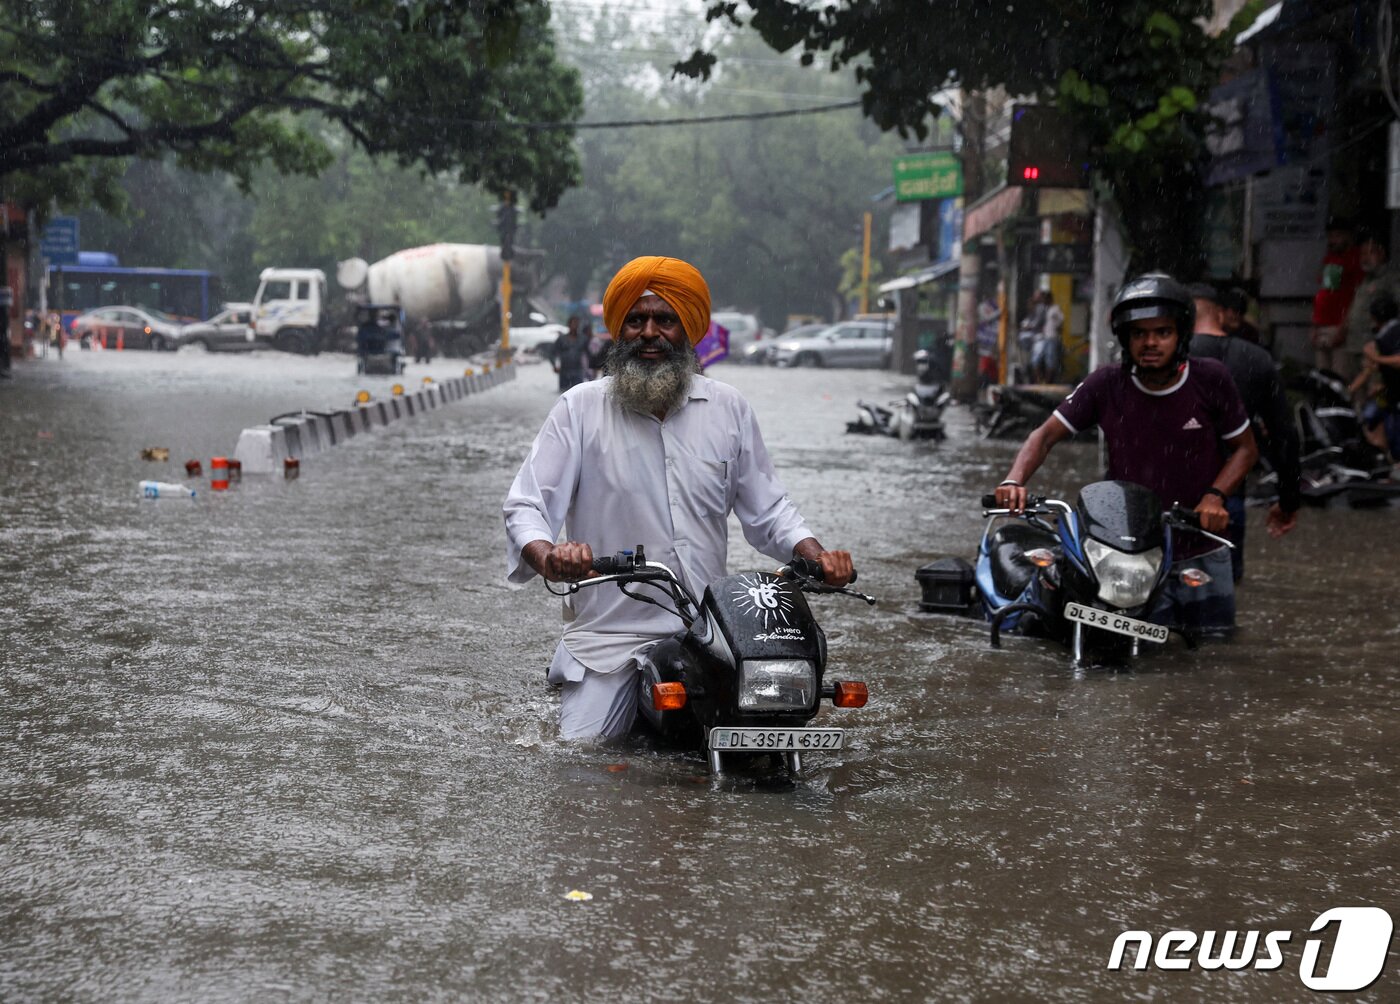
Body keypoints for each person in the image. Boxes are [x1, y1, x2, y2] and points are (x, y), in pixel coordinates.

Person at [503, 255, 853, 740]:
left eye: (664, 320)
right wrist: (551, 556)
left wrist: (818, 556)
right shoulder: (579, 409)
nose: (650, 332)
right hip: (610, 641)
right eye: (636, 319)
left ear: (687, 329)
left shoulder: (728, 408)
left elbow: (769, 509)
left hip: (713, 636)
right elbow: (527, 506)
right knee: (583, 761)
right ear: (617, 330)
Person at [994, 273, 1259, 635]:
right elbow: (1043, 437)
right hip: (1129, 554)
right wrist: (1014, 480)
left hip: (1200, 546)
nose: (1150, 342)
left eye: (1162, 332)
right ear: (1125, 338)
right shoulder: (1106, 384)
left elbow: (1245, 449)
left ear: (1181, 334)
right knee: (1124, 653)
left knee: (1214, 655)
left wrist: (1215, 498)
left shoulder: (1211, 379)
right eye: (1139, 333)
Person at [1188, 283, 1301, 582]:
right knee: (1222, 604)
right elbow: (1285, 435)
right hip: (1228, 500)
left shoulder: (1161, 359)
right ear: (1221, 315)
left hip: (1167, 500)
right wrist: (1289, 499)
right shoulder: (1256, 359)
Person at [1343, 233, 1400, 384]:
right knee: (1354, 392)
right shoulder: (1365, 280)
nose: (1365, 258)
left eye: (1370, 252)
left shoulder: (1390, 278)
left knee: (1374, 392)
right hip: (1355, 345)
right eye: (1362, 254)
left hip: (1374, 346)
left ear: (1382, 253)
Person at [1311, 219, 1363, 378]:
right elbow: (1324, 292)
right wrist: (1314, 325)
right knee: (1323, 378)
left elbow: (1357, 298)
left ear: (1349, 236)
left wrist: (1343, 327)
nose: (1333, 240)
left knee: (1340, 379)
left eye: (1338, 236)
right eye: (1331, 236)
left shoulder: (1356, 258)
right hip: (1322, 326)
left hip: (1340, 327)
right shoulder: (1330, 258)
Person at [1359, 291, 1400, 462]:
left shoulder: (1393, 333)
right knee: (1371, 417)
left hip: (1396, 395)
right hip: (1389, 392)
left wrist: (1375, 357)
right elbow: (1371, 369)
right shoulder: (1384, 335)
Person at [1032, 293, 1064, 384]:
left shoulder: (1055, 309)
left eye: (1045, 299)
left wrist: (1057, 329)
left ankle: (1048, 381)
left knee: (1051, 360)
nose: (1044, 301)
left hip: (1052, 337)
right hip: (1046, 337)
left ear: (1050, 299)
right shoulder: (1046, 309)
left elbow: (1061, 321)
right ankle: (1042, 380)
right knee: (1043, 360)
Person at [552, 316, 589, 392]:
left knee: (578, 392)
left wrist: (590, 369)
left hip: (578, 371)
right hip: (564, 371)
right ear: (569, 325)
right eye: (573, 323)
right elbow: (553, 353)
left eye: (576, 324)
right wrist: (554, 365)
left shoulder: (583, 339)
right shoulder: (561, 339)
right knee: (563, 393)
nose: (575, 326)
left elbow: (588, 355)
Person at [1017, 291, 1046, 382]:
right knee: (1027, 362)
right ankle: (1031, 378)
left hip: (1038, 339)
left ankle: (1038, 380)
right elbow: (1025, 324)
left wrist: (1028, 327)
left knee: (1036, 362)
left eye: (1031, 304)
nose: (1029, 307)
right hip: (1028, 343)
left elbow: (1036, 324)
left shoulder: (1041, 309)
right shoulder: (1030, 314)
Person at [976, 296, 1000, 388]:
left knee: (988, 368)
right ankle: (984, 385)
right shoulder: (982, 309)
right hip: (986, 345)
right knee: (985, 368)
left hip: (989, 346)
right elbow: (987, 318)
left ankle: (986, 384)